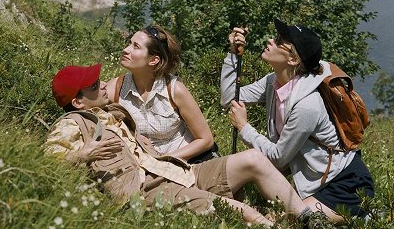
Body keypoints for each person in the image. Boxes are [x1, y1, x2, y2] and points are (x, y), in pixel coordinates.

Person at [45, 63, 315, 226]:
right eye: (93, 86)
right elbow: (47, 166)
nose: (103, 84)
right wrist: (81, 155)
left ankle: (311, 221)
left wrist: (140, 145)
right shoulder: (71, 124)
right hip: (151, 189)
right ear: (78, 102)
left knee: (254, 159)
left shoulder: (110, 113)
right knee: (242, 211)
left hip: (174, 170)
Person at [221, 19, 375, 221]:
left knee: (290, 220)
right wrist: (233, 54)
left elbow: (278, 157)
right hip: (317, 180)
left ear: (293, 59)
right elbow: (229, 99)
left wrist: (244, 127)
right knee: (269, 216)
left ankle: (363, 214)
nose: (270, 40)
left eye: (278, 40)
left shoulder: (307, 105)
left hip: (343, 185)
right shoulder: (272, 82)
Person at [106, 25, 217, 163]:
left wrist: (163, 160)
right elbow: (84, 109)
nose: (125, 50)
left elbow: (206, 140)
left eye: (136, 46)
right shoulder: (116, 87)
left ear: (153, 60)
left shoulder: (174, 90)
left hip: (187, 160)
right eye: (129, 43)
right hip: (143, 163)